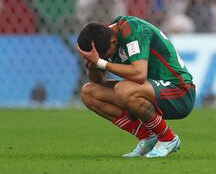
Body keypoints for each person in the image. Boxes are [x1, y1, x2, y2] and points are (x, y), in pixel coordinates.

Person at [76, 15, 196, 158]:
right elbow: (98, 79)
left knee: (124, 90)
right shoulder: (104, 39)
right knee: (89, 92)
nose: (103, 59)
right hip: (147, 92)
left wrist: (101, 62)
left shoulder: (133, 30)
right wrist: (93, 66)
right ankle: (148, 137)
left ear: (113, 41)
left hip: (179, 91)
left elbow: (139, 74)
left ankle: (168, 138)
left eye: (104, 56)